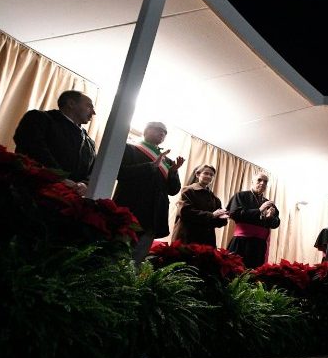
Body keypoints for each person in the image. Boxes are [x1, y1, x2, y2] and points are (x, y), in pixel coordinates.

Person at [114, 121, 183, 262]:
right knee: (116, 255)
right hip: (130, 211)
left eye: (164, 132)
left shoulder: (168, 161)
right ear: (146, 131)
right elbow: (119, 173)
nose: (162, 133)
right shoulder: (130, 149)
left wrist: (173, 172)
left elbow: (173, 191)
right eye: (158, 129)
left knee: (137, 261)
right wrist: (150, 166)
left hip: (153, 217)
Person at [12, 90, 97, 196]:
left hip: (67, 202)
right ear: (71, 103)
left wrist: (85, 185)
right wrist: (60, 177)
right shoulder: (39, 118)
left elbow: (94, 171)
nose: (93, 112)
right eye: (89, 106)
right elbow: (34, 149)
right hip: (30, 192)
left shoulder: (90, 143)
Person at [227, 173, 280, 268]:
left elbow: (276, 223)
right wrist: (259, 210)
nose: (262, 183)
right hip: (241, 241)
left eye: (265, 181)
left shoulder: (268, 203)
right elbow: (235, 214)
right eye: (259, 180)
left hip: (259, 245)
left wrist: (270, 217)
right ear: (252, 182)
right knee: (234, 270)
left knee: (253, 272)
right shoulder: (241, 196)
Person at [170, 164, 228, 247]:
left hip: (206, 240)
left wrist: (223, 217)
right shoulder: (188, 190)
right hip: (187, 238)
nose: (209, 176)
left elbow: (217, 222)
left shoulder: (215, 199)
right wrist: (212, 215)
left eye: (211, 175)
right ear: (197, 174)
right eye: (206, 173)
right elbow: (184, 212)